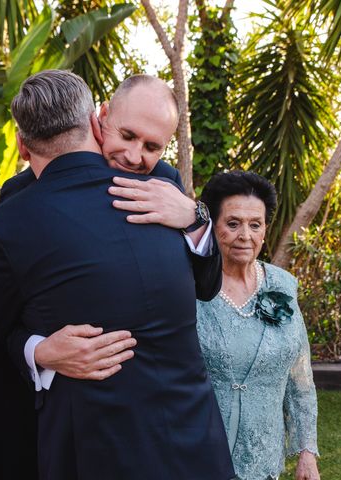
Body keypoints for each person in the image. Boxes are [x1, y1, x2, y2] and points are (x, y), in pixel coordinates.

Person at [0, 70, 234, 479]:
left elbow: (205, 286)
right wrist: (39, 350)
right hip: (63, 421)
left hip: (159, 429)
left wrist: (195, 217)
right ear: (98, 119)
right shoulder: (20, 201)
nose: (134, 157)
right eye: (127, 135)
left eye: (152, 146)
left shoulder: (162, 185)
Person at [112, 170, 320, 480]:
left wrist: (306, 453)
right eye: (233, 223)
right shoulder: (185, 286)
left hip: (264, 461)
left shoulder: (283, 285)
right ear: (212, 226)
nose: (245, 236)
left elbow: (300, 379)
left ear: (265, 230)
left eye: (255, 225)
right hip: (195, 456)